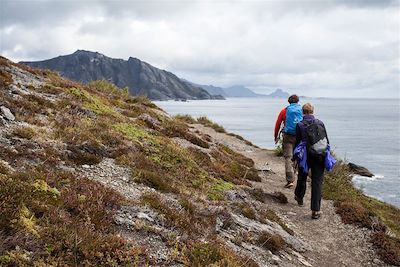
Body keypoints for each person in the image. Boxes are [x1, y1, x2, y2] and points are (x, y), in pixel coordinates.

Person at [293, 103, 329, 219]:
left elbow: (297, 142)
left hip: (306, 156)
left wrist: (295, 157)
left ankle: (299, 197)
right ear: (313, 111)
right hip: (319, 155)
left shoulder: (300, 125)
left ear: (303, 112)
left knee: (302, 177)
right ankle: (315, 210)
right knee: (317, 182)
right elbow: (326, 140)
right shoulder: (320, 123)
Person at [274, 95, 302, 188]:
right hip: (299, 137)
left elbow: (278, 124)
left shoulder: (284, 111)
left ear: (289, 102)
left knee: (288, 157)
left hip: (288, 136)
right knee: (296, 156)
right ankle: (293, 174)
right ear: (297, 101)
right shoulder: (301, 110)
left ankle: (290, 180)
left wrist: (276, 136)